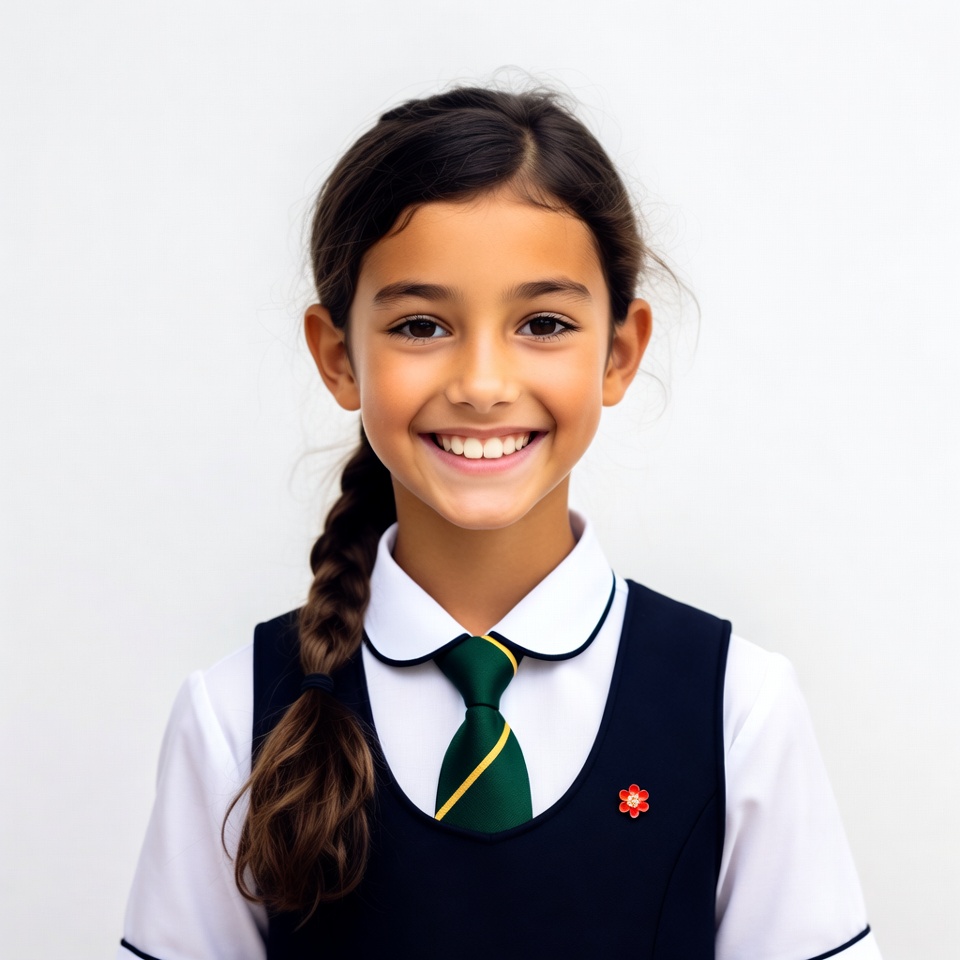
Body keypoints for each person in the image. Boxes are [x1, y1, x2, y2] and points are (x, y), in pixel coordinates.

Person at [117, 85, 881, 959]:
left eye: (543, 323)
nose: (482, 382)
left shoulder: (737, 709)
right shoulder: (234, 718)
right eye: (421, 324)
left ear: (620, 352)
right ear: (339, 358)